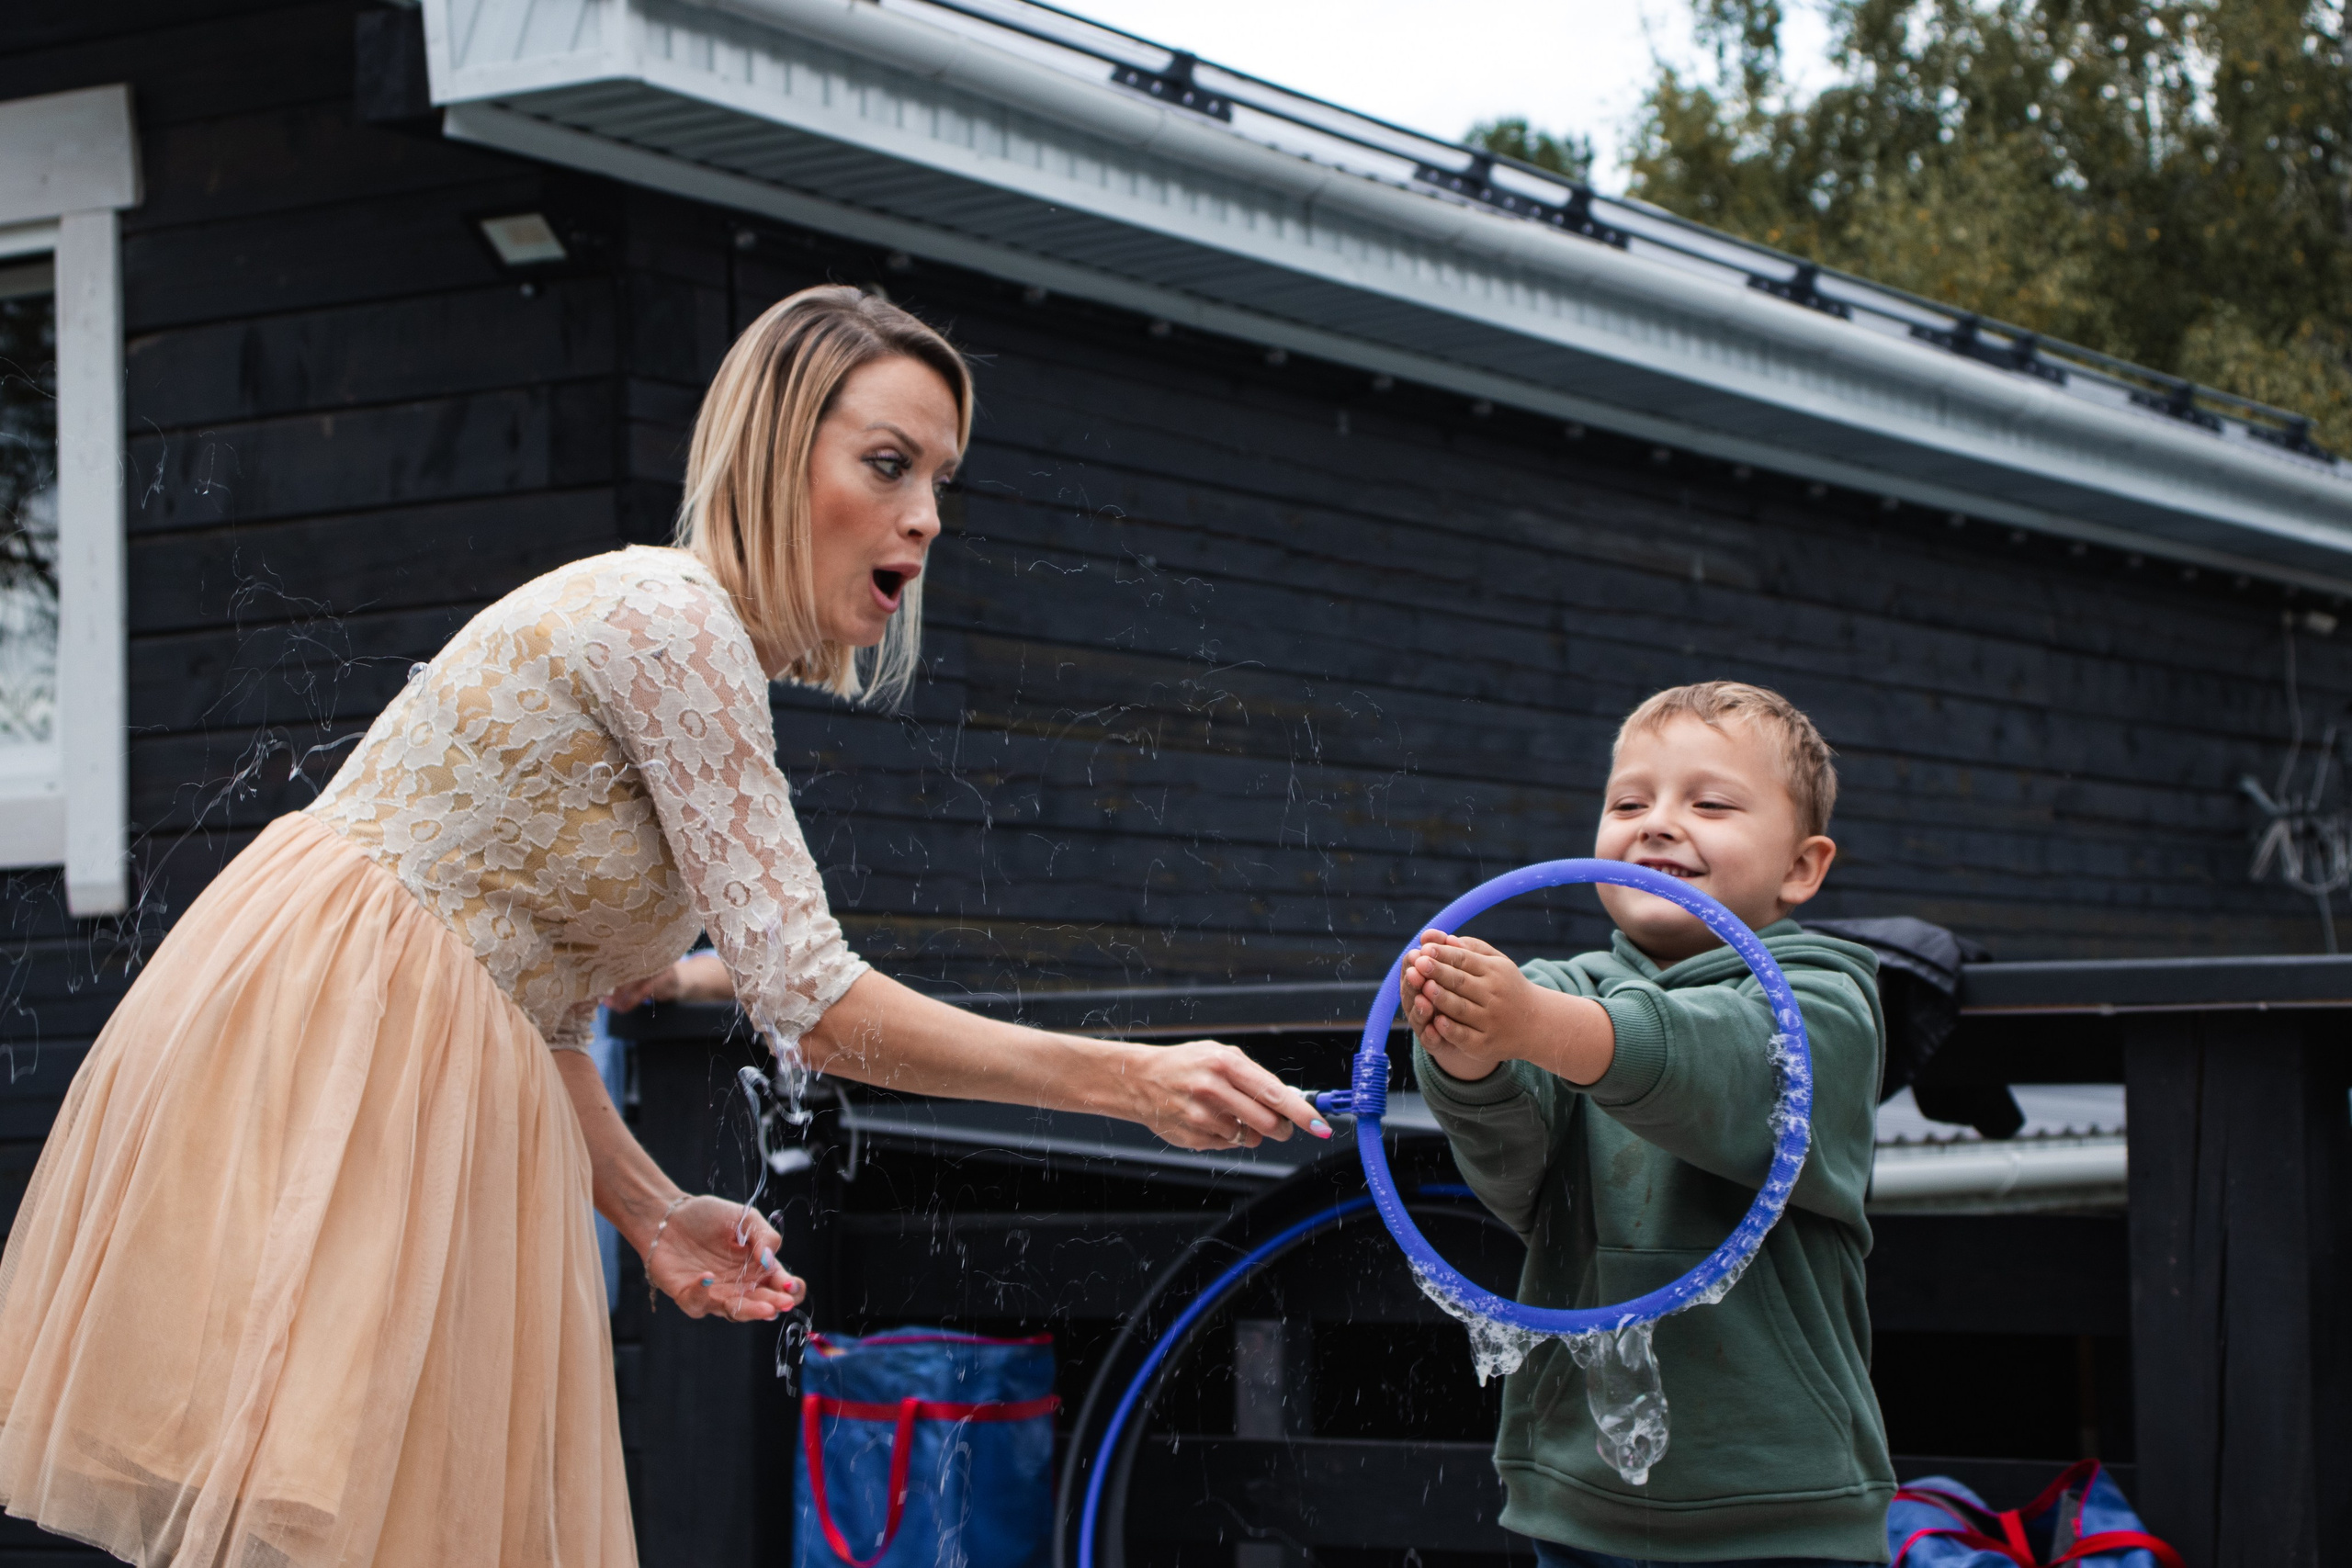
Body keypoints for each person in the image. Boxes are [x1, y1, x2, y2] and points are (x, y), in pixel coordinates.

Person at [0, 286, 1326, 1568]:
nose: (924, 518)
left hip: (424, 1056)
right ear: (770, 448)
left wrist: (646, 1209)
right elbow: (814, 1001)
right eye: (888, 462)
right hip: (343, 1057)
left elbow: (532, 994)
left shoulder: (691, 644)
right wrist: (1129, 1079)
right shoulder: (669, 619)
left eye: (941, 483)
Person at [1402, 682, 1892, 1568]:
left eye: (1710, 803)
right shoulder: (1559, 987)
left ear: (1803, 868)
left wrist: (1537, 1026)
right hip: (1574, 1494)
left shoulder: (1829, 992)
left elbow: (1733, 1066)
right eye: (1628, 802)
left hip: (1782, 1508)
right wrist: (1469, 1055)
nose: (1658, 823)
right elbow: (1511, 1167)